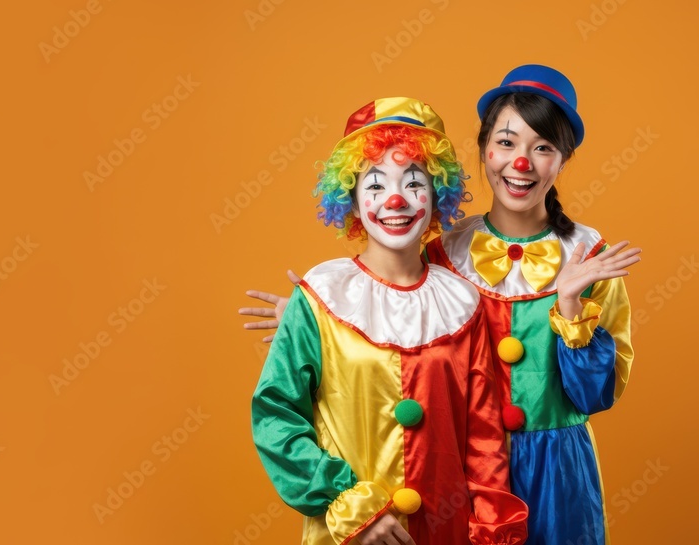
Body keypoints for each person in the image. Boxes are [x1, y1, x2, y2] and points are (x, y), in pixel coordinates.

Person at [242, 66, 639, 545]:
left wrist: (572, 307)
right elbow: (395, 314)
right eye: (507, 142)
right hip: (455, 474)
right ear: (483, 148)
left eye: (544, 148)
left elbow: (597, 395)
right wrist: (322, 326)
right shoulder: (442, 252)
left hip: (556, 472)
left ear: (562, 160)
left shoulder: (589, 257)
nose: (521, 163)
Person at [251, 97, 528, 545]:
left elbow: (484, 437)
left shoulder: (462, 301)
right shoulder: (321, 296)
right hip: (350, 534)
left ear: (436, 197)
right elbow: (276, 416)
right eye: (375, 186)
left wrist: (491, 527)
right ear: (353, 203)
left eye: (414, 183)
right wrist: (348, 505)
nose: (395, 200)